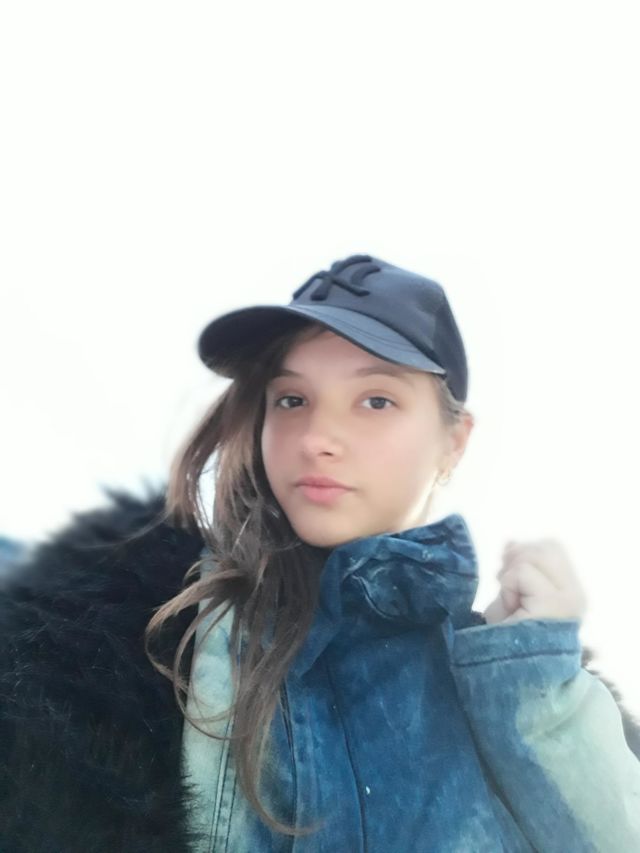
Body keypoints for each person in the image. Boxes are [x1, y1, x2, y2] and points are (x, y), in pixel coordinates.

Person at [1, 253, 638, 852]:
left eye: (376, 400)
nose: (316, 438)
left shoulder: (513, 674)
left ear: (454, 442)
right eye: (292, 400)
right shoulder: (149, 626)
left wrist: (537, 683)